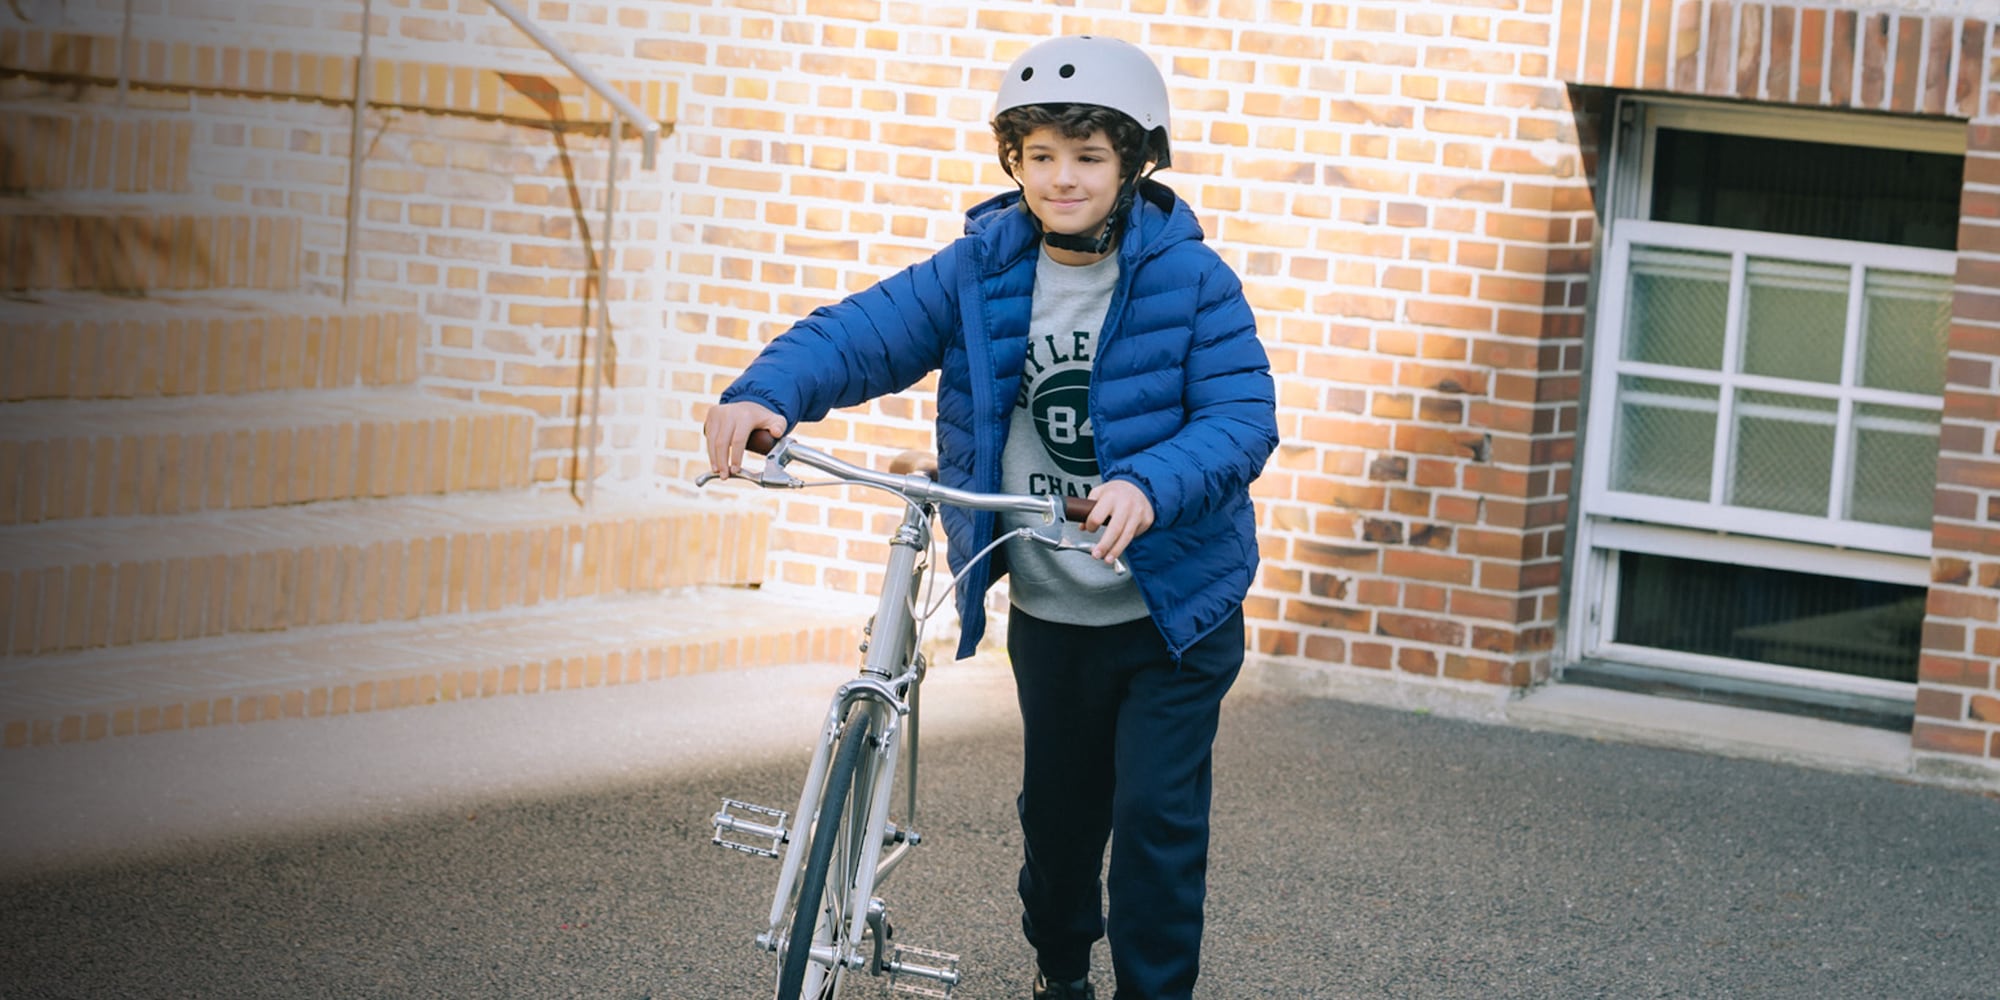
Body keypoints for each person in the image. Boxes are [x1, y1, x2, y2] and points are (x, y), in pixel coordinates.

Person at [703, 34, 1278, 1000]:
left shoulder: (1193, 282)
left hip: (1173, 614)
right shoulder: (982, 266)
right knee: (1056, 826)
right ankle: (1063, 978)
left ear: (1135, 164)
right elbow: (864, 331)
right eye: (1041, 155)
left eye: (1090, 157)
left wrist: (1149, 484)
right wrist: (765, 393)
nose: (1063, 178)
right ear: (1013, 160)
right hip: (1055, 610)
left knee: (1152, 825)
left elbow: (1240, 419)